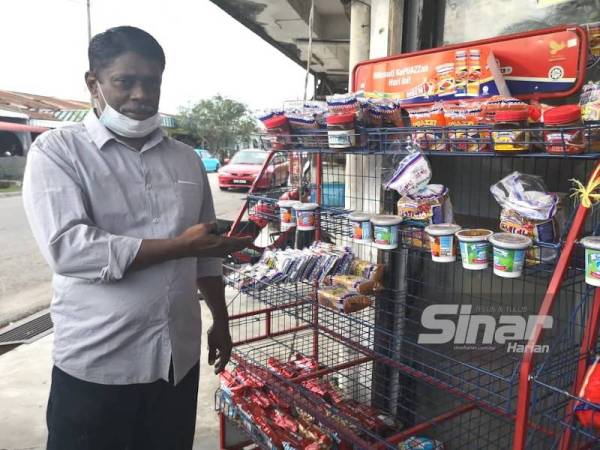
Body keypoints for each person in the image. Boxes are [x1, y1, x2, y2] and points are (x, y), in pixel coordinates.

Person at [22, 26, 251, 450]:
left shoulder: (185, 159)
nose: (141, 94)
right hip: (99, 364)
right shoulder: (58, 152)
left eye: (152, 82)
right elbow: (69, 249)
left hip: (175, 361)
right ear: (94, 83)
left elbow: (207, 255)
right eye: (125, 81)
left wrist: (220, 319)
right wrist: (182, 246)